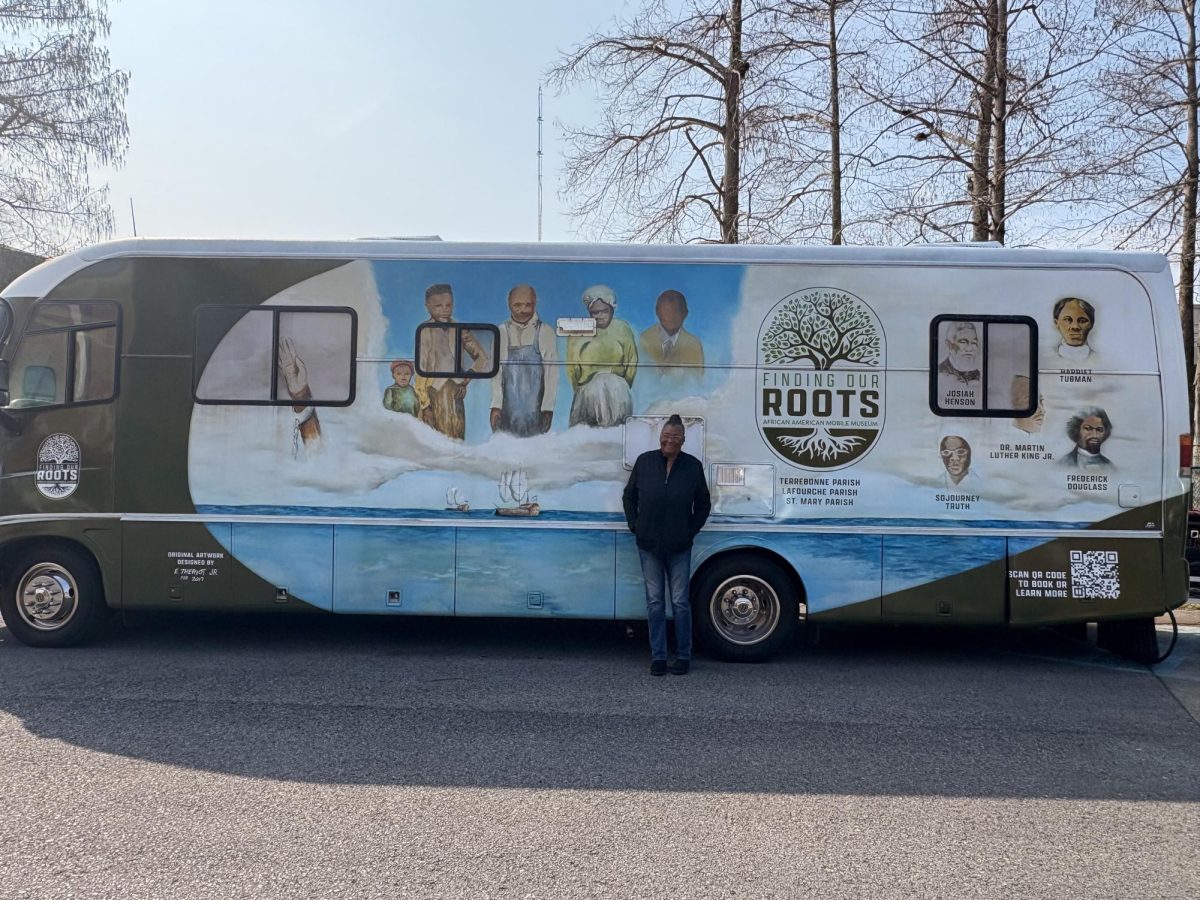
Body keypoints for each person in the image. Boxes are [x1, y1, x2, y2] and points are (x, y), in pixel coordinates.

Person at [622, 414, 711, 676]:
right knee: (655, 602)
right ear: (660, 436)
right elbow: (629, 496)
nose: (668, 441)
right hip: (648, 544)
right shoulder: (645, 462)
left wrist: (690, 530)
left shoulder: (692, 467)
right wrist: (634, 525)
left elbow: (703, 504)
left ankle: (683, 656)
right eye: (665, 436)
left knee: (681, 602)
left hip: (679, 545)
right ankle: (658, 657)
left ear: (683, 440)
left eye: (675, 437)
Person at [413, 283, 489, 440]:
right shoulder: (425, 331)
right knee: (436, 439)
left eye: (448, 305)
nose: (444, 309)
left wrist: (466, 379)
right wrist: (425, 405)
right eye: (438, 306)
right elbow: (420, 370)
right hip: (433, 392)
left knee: (457, 435)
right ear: (427, 306)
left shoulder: (459, 328)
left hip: (455, 392)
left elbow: (482, 356)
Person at [490, 284, 558, 436]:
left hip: (535, 409)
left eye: (529, 304)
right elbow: (496, 372)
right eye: (518, 305)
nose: (524, 310)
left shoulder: (545, 331)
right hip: (508, 410)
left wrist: (548, 408)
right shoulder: (501, 331)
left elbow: (551, 373)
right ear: (509, 304)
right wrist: (496, 405)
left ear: (535, 303)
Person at [566, 285, 638, 427]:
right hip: (588, 394)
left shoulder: (622, 328)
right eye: (594, 312)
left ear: (612, 308)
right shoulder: (578, 329)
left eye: (604, 311)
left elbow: (632, 360)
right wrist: (582, 389)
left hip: (618, 392)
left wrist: (622, 386)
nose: (599, 316)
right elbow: (572, 367)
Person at [638, 290, 704, 386]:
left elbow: (698, 380)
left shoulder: (694, 344)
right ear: (657, 311)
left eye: (675, 311)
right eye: (666, 310)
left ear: (685, 314)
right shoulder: (645, 338)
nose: (670, 316)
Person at [936, 322, 982, 408]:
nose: (969, 348)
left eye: (974, 343)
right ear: (949, 344)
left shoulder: (979, 376)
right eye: (963, 342)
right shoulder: (939, 373)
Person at [1053, 297, 1096, 362]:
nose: (1075, 327)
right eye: (1067, 319)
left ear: (1091, 324)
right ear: (1056, 323)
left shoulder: (1099, 358)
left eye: (1082, 321)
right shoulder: (1048, 356)